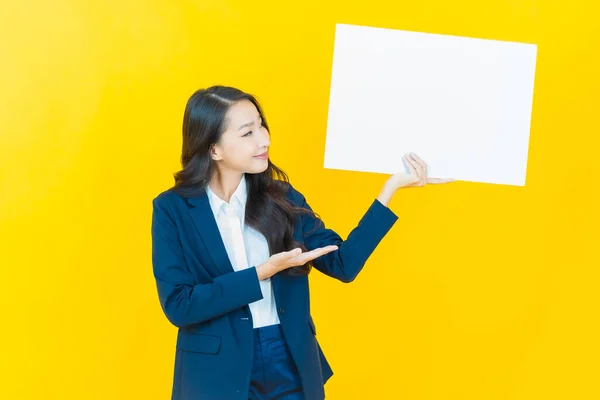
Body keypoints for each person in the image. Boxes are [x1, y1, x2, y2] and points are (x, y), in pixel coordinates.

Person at [151, 85, 454, 400]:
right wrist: (261, 273)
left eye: (261, 125)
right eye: (247, 133)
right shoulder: (172, 209)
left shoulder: (281, 198)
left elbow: (343, 263)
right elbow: (179, 306)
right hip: (215, 370)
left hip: (289, 358)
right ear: (214, 149)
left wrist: (389, 190)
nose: (264, 139)